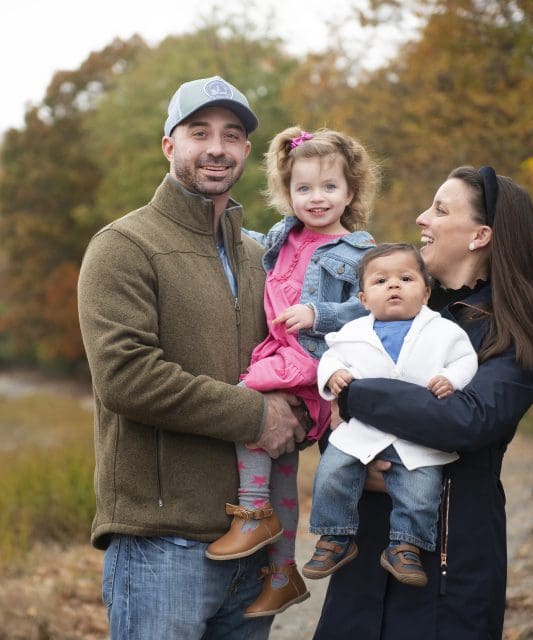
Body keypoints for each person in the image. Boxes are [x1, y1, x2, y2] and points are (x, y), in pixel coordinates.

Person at [77, 75, 308, 640]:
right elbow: (127, 378)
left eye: (231, 136)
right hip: (162, 543)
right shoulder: (123, 247)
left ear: (246, 152)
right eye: (198, 131)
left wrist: (305, 413)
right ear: (169, 144)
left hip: (253, 541)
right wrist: (257, 416)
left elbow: (294, 356)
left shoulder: (261, 255)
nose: (216, 148)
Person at [313, 166, 533, 640]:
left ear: (480, 235)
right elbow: (336, 427)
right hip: (365, 554)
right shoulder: (396, 308)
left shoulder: (514, 335)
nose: (422, 218)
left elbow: (464, 420)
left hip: (450, 561)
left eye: (441, 210)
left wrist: (355, 393)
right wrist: (349, 452)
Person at [204, 126, 378, 618]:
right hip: (278, 354)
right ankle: (282, 575)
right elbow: (249, 246)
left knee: (247, 406)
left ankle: (253, 511)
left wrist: (319, 314)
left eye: (329, 187)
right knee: (283, 463)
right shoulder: (283, 235)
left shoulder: (360, 252)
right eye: (303, 189)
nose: (316, 199)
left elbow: (373, 308)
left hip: (313, 364)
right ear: (288, 193)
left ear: (350, 191)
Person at [301, 242, 477, 588]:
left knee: (422, 488)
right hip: (364, 430)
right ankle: (335, 537)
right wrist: (332, 376)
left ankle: (405, 546)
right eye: (380, 281)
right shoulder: (353, 332)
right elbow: (331, 358)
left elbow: (465, 360)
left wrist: (450, 379)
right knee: (334, 470)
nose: (393, 285)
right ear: (364, 299)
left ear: (426, 292)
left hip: (419, 433)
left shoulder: (444, 331)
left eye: (406, 278)